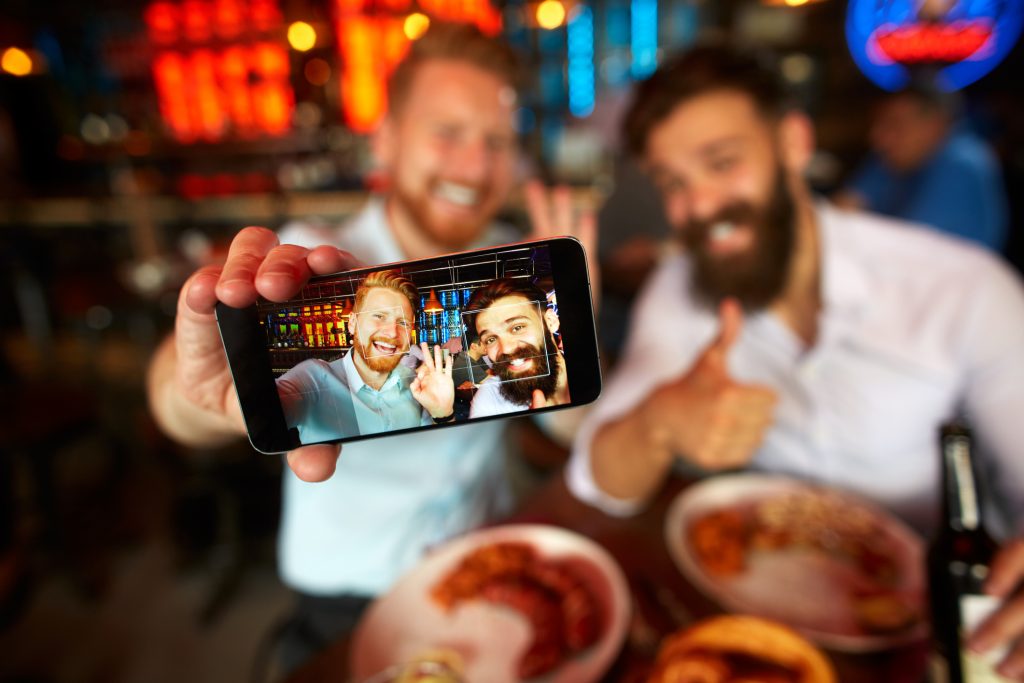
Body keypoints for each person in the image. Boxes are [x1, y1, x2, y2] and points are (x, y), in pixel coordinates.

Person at [565, 43, 1024, 679]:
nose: (700, 207)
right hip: (755, 625)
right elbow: (597, 478)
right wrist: (661, 420)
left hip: (933, 636)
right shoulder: (681, 287)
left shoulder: (966, 289)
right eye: (673, 184)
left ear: (793, 142)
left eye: (722, 163)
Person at [146, 21, 593, 672]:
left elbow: (573, 422)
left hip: (486, 558)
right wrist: (204, 396)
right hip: (352, 592)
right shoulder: (309, 263)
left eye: (497, 140)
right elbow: (176, 394)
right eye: (447, 132)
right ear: (385, 139)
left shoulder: (510, 263)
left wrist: (575, 339)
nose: (475, 164)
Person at [277, 270, 455, 442]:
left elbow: (441, 455)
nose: (393, 333)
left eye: (403, 323)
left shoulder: (415, 383)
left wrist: (444, 414)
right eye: (379, 316)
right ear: (353, 323)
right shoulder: (314, 378)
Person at [834, 83, 1009, 252]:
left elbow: (908, 250)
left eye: (894, 124)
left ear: (935, 125)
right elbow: (842, 210)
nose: (876, 137)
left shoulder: (963, 163)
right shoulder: (892, 158)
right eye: (878, 124)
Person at [464, 278, 569, 417]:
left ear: (550, 322)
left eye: (517, 328)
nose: (506, 349)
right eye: (491, 339)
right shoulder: (490, 398)